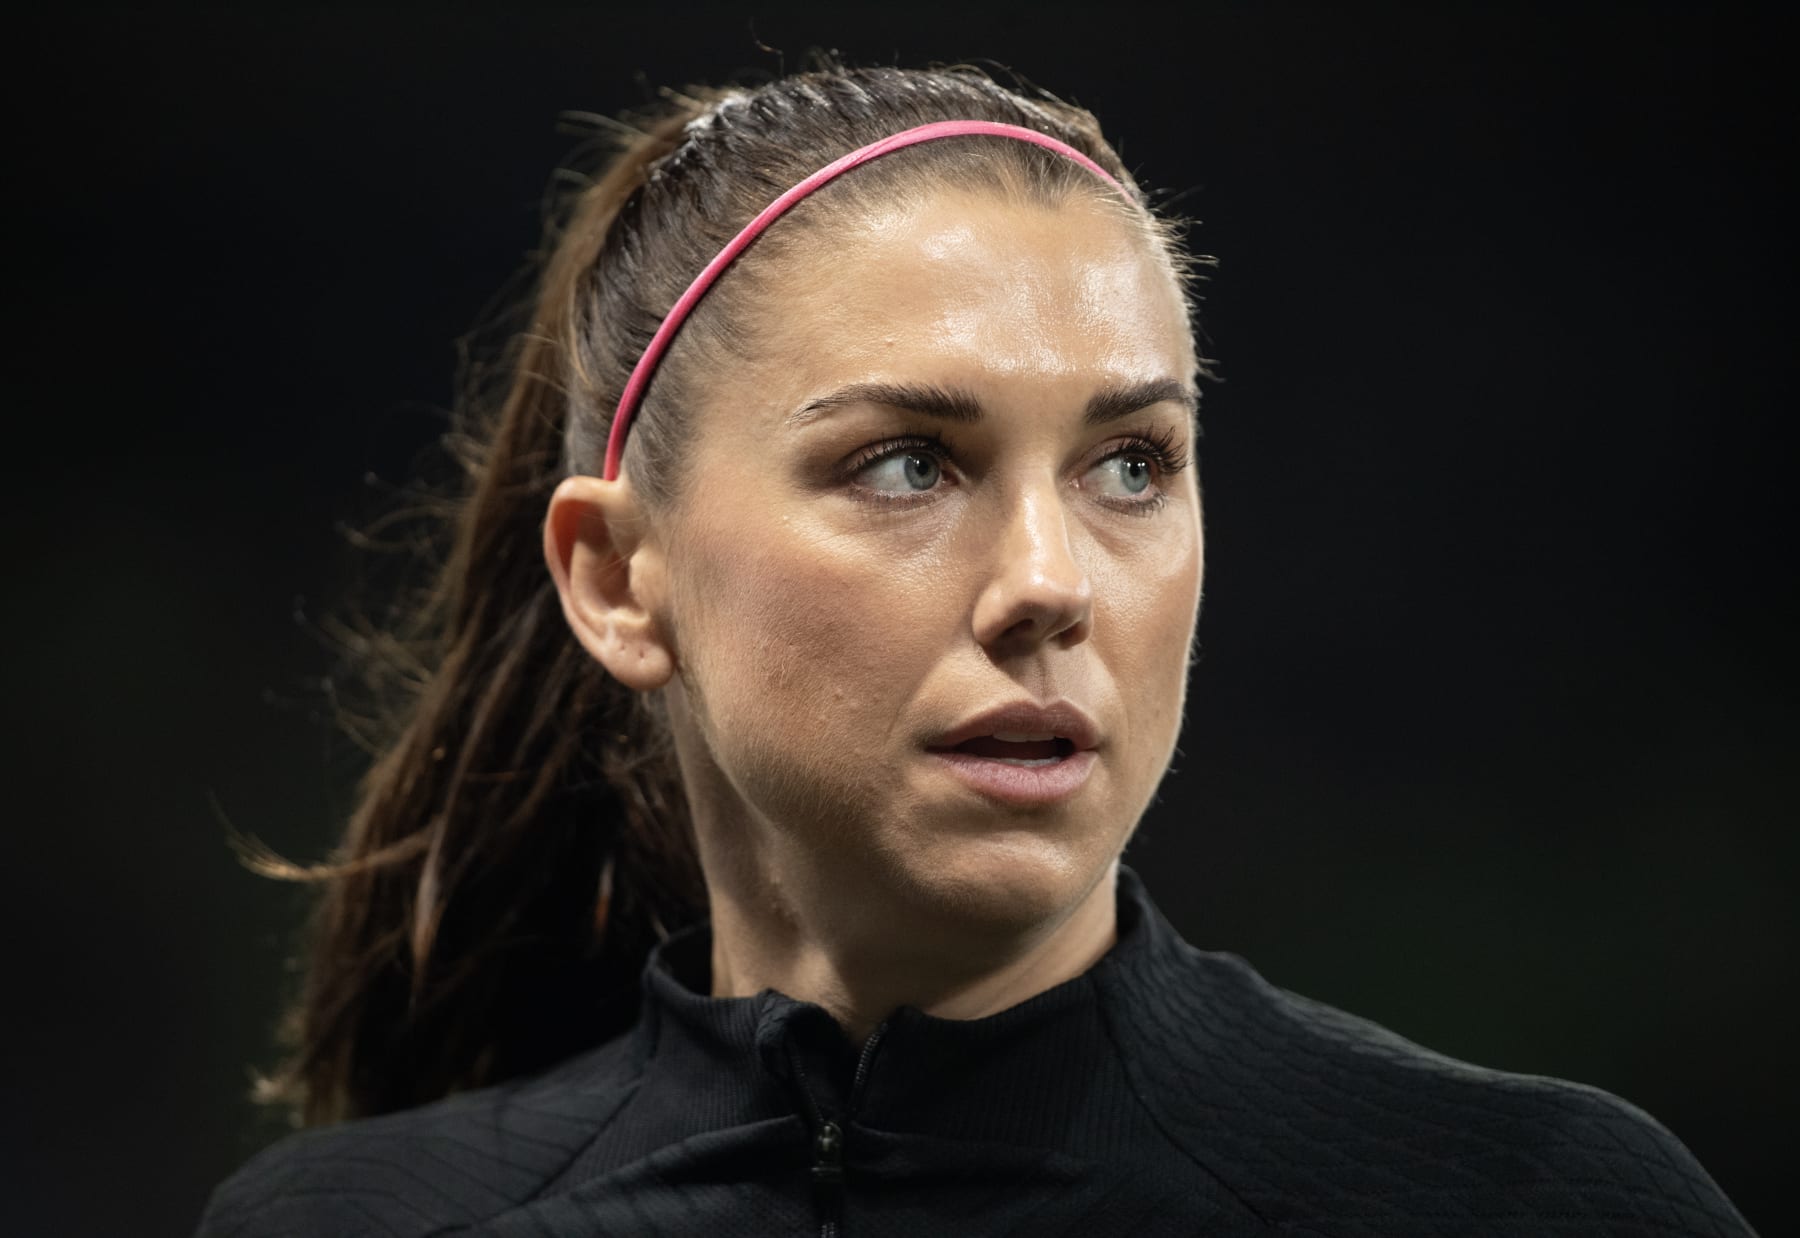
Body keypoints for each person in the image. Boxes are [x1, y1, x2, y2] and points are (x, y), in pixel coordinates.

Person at [195, 61, 1755, 1237]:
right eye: (909, 463)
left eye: (1130, 463)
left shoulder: (1539, 1203)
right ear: (617, 578)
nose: (1049, 582)